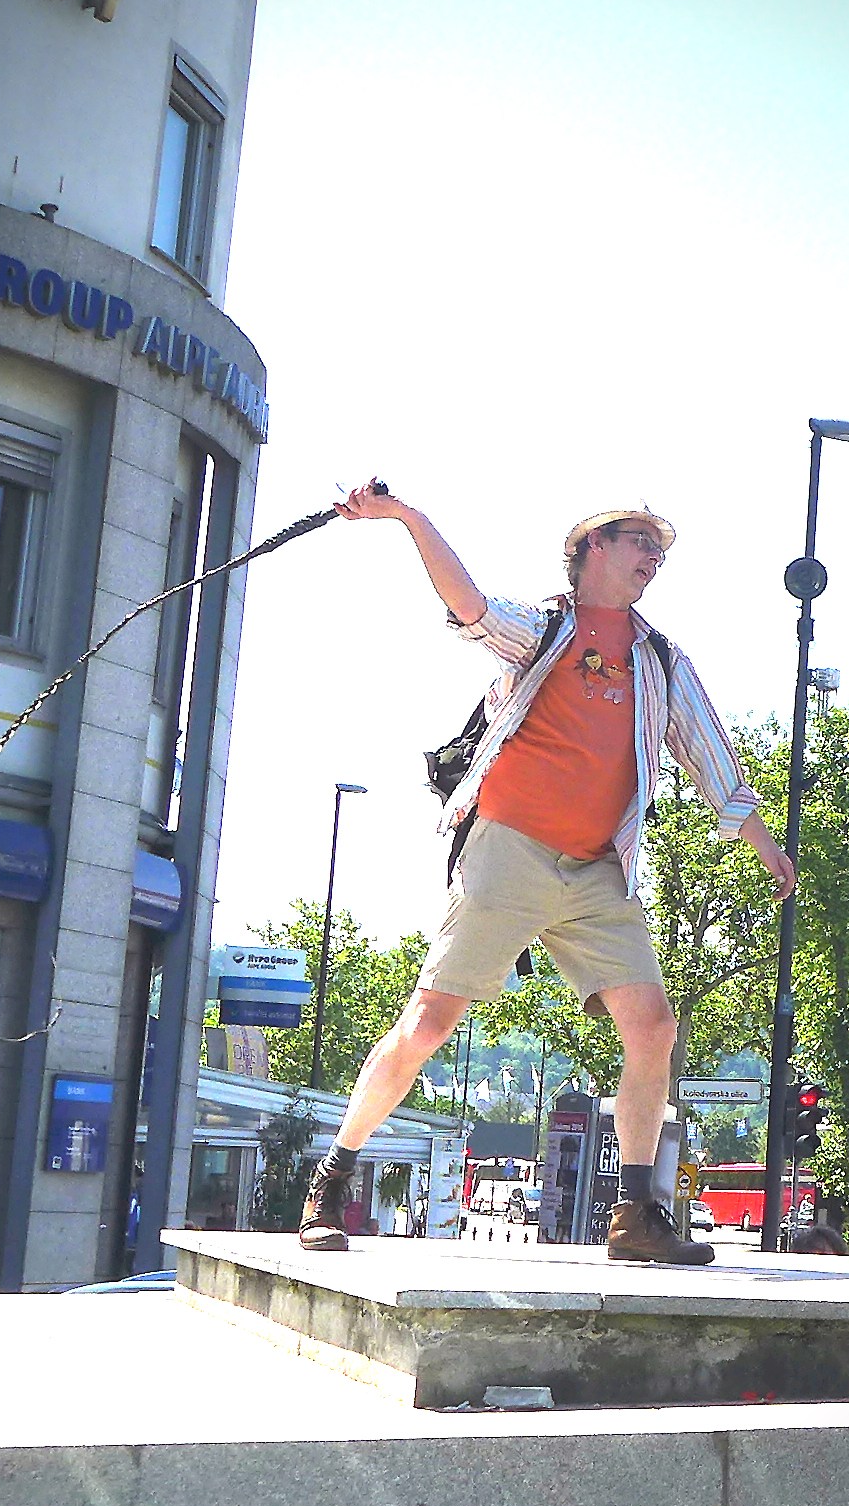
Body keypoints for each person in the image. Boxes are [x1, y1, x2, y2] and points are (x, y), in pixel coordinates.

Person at [296, 485, 795, 1264]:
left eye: (658, 548)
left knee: (654, 1027)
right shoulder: (546, 627)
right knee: (428, 1024)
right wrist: (408, 519)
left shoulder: (662, 659)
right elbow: (468, 606)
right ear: (591, 547)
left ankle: (636, 1217)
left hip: (599, 868)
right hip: (510, 850)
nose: (653, 556)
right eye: (637, 540)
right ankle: (330, 1182)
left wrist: (762, 842)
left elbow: (710, 755)